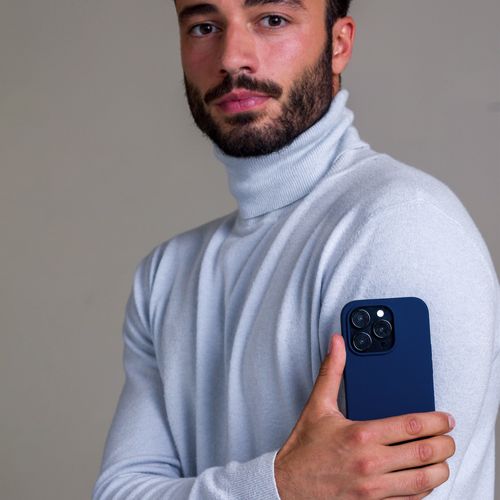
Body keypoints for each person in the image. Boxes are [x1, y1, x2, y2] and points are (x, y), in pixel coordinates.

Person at [93, 0, 500, 498]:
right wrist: (283, 484)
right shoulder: (165, 274)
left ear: (339, 44)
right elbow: (119, 491)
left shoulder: (399, 226)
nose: (231, 57)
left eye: (272, 19)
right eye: (204, 26)